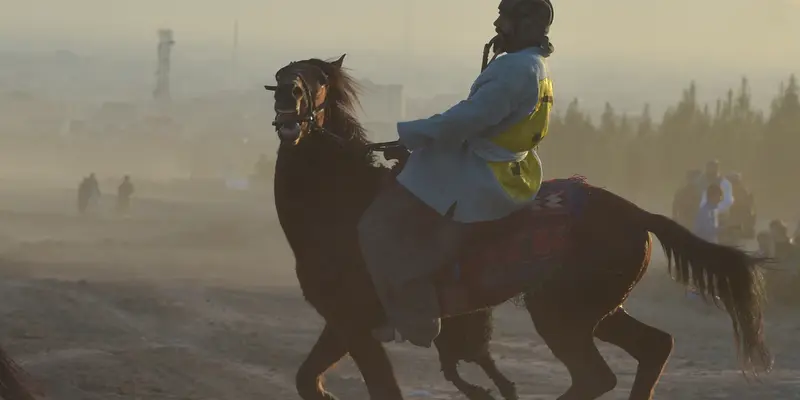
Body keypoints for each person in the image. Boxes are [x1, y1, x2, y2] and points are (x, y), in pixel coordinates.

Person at [358, 0, 555, 348]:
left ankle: (415, 316)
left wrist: (410, 136)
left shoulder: (513, 70)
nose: (497, 24)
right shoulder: (533, 65)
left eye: (505, 18)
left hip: (482, 173)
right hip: (508, 166)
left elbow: (465, 120)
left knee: (377, 225)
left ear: (526, 25)